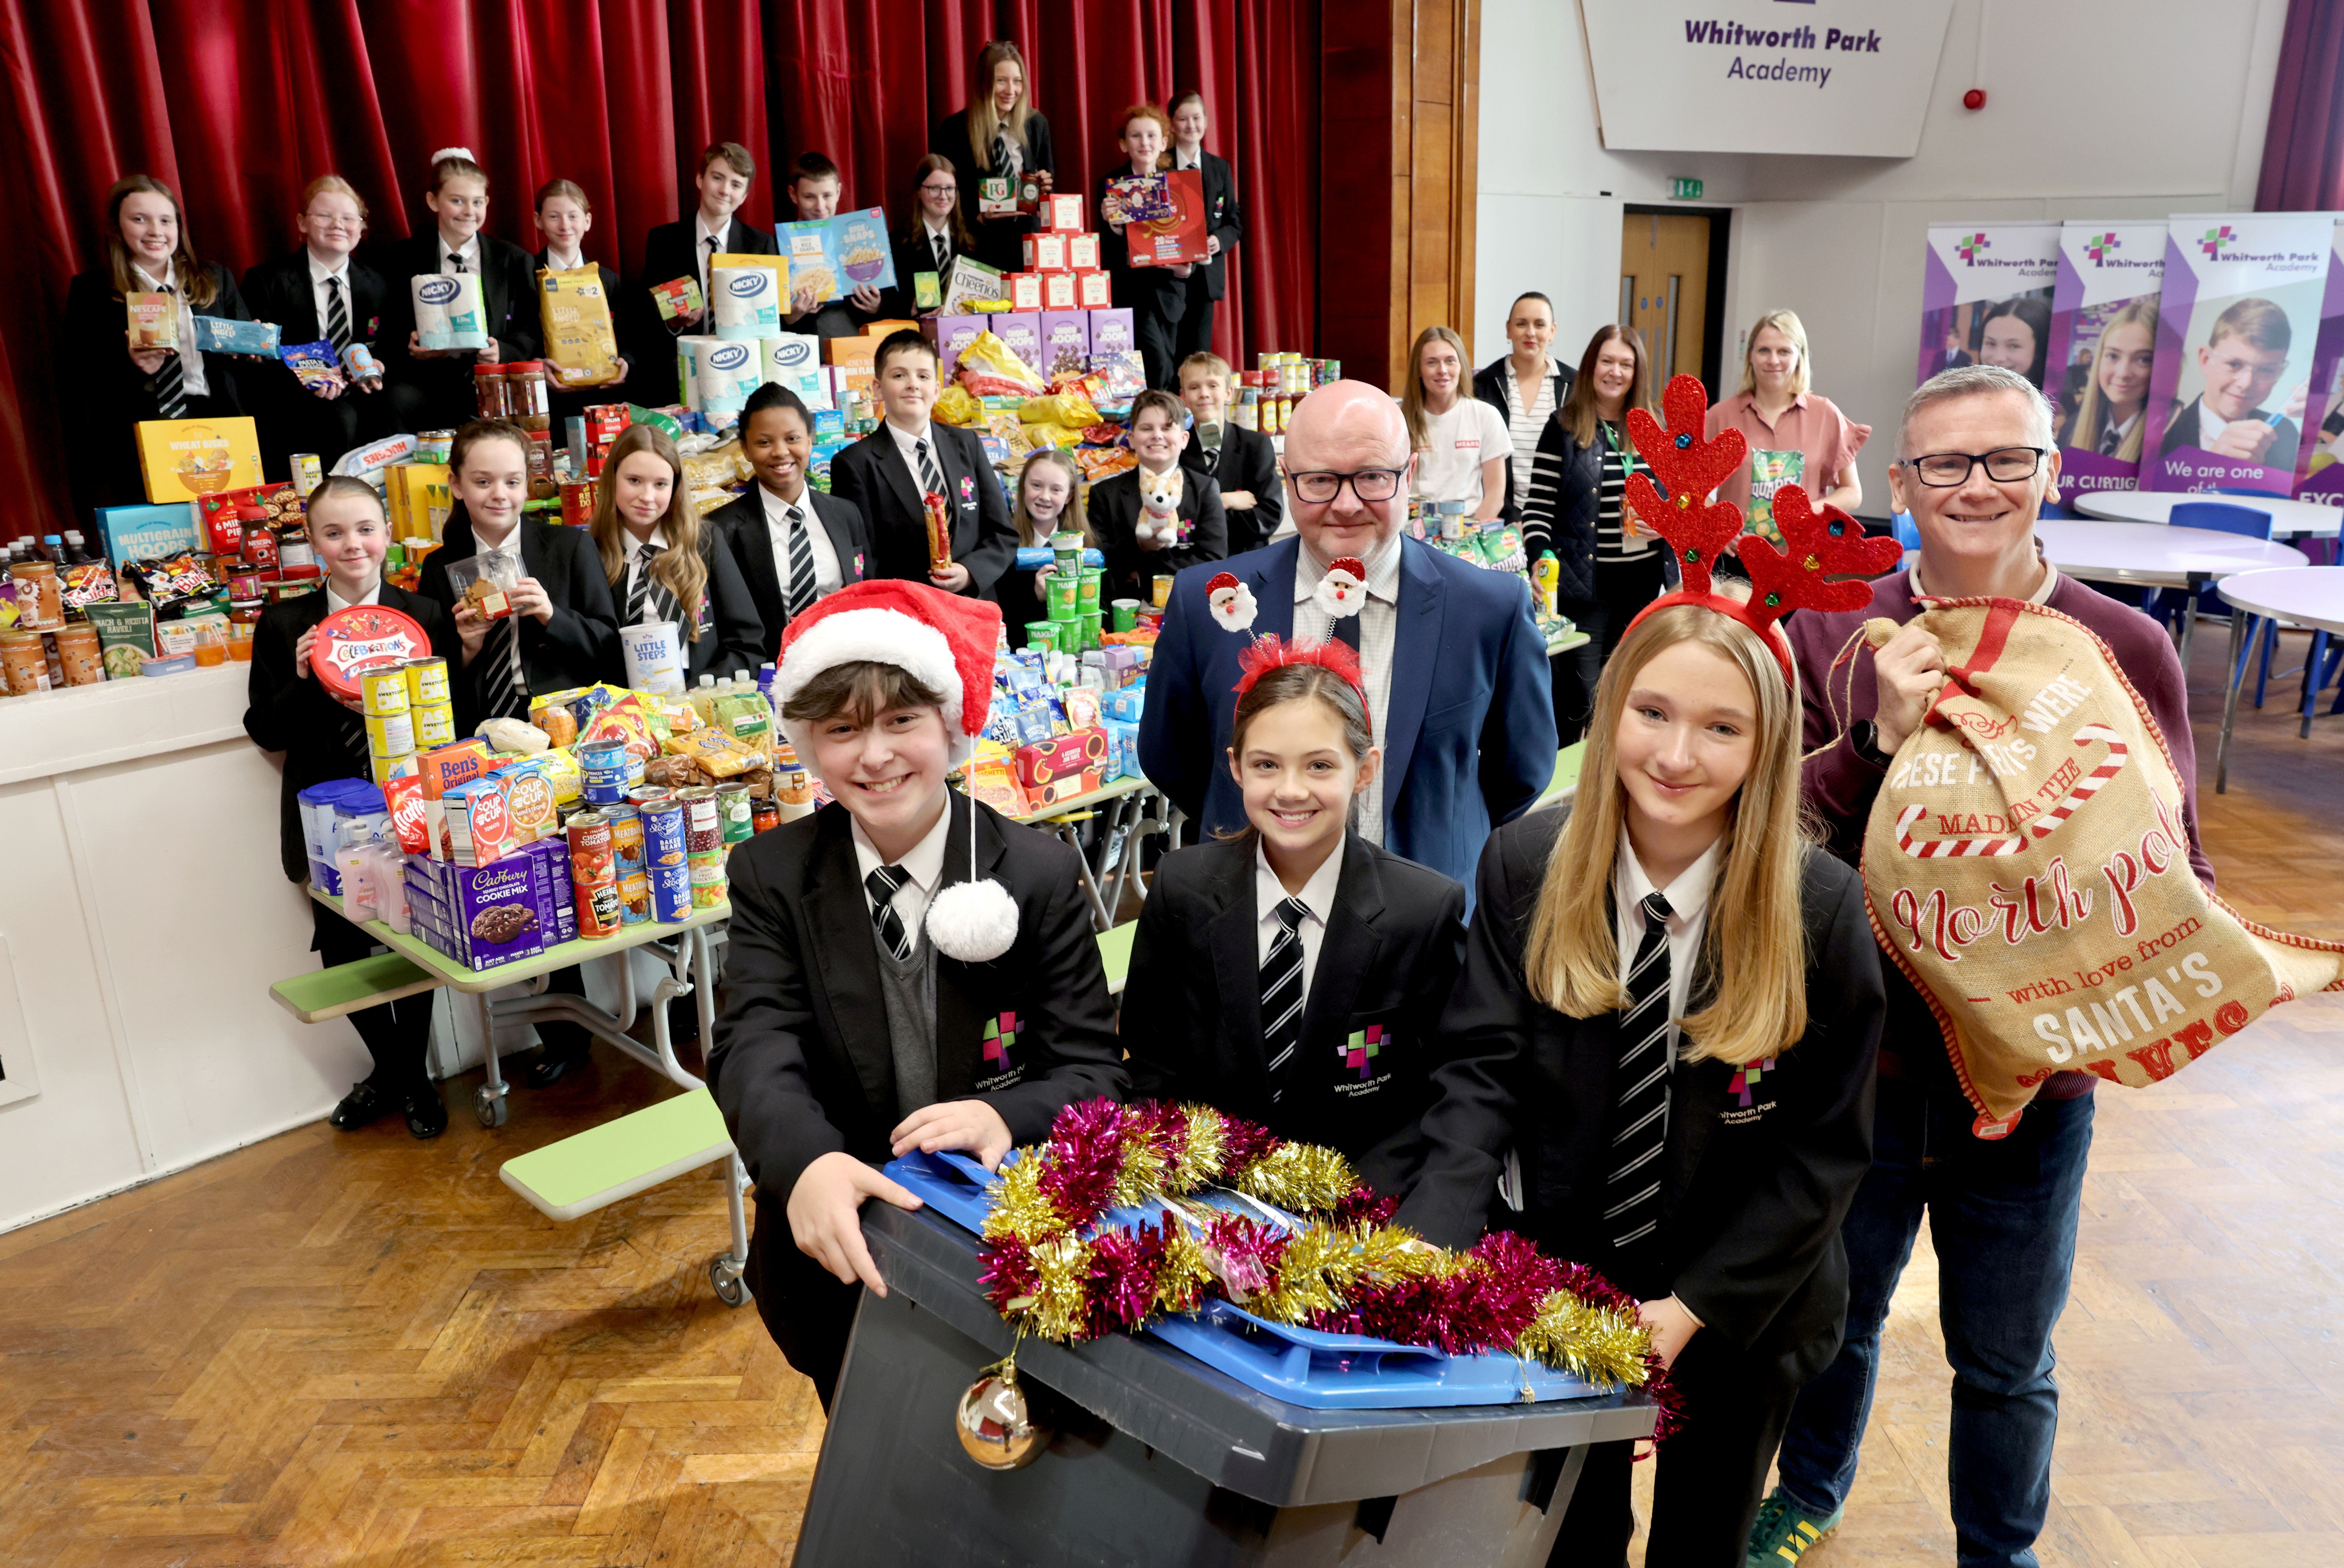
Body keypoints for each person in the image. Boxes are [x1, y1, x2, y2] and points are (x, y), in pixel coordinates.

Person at [1751, 364, 2216, 1568]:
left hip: (2030, 1094)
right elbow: (1774, 842)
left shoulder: (2125, 647)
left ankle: (1994, 1553)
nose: (1975, 486)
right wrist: (1871, 743)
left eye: (2005, 458)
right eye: (1944, 464)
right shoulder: (1832, 634)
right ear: (1900, 485)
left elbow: (2182, 874)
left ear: (2049, 474)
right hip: (1858, 1068)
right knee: (1832, 1323)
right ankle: (1805, 1491)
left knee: (2006, 1359)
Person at [1393, 582, 1886, 1568]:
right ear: (1609, 706)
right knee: (1564, 1531)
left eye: (1719, 727)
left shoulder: (1819, 908)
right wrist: (1429, 1253)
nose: (1673, 754)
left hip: (1741, 1296)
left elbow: (1821, 1152)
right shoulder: (1524, 861)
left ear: (1766, 745)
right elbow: (1479, 1074)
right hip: (1562, 1275)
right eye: (1651, 711)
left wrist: (1694, 1305)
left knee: (1702, 1535)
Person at [706, 579, 1127, 1407]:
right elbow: (755, 1045)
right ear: (808, 744)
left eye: (902, 722)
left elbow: (1093, 1071)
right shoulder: (774, 876)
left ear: (952, 725)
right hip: (846, 1258)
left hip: (1009, 1250)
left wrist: (1006, 1115)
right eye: (842, 730)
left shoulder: (1035, 873)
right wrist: (809, 1163)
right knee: (871, 1461)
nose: (874, 756)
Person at [1138, 381, 1555, 895]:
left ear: (1410, 474)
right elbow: (1169, 756)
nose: (1346, 503)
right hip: (1250, 914)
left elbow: (1523, 771)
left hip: (1429, 923)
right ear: (1286, 481)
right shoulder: (1207, 602)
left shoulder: (1489, 608)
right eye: (1319, 481)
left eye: (1372, 477)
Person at [1122, 636, 1465, 1193]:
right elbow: (1151, 1063)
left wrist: (1356, 1204)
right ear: (1235, 767)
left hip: (1355, 1214)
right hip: (1204, 1199)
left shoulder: (1422, 910)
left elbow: (1436, 1092)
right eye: (1266, 764)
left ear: (1364, 769)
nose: (1289, 790)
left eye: (1319, 765)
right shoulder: (1182, 890)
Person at [244, 477, 461, 1139]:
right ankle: (399, 1070)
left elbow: (454, 720)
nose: (352, 544)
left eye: (365, 528)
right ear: (312, 542)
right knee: (341, 949)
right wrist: (305, 679)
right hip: (325, 818)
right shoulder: (285, 624)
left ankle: (409, 1079)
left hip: (408, 808)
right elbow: (264, 729)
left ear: (388, 533)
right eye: (334, 532)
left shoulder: (423, 614)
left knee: (418, 942)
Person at [417, 419, 618, 1086]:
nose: (497, 494)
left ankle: (577, 1025)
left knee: (566, 871)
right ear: (456, 485)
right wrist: (468, 646)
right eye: (481, 481)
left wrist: (551, 616)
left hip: (560, 743)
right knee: (512, 881)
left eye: (510, 480)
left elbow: (608, 648)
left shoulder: (567, 546)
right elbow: (439, 681)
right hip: (485, 745)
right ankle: (546, 1025)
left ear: (529, 484)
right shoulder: (435, 564)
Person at [61, 174, 256, 515]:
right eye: (140, 219)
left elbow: (245, 361)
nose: (155, 231)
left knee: (224, 529)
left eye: (166, 221)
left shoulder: (215, 278)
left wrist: (252, 348)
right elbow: (78, 371)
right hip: (140, 427)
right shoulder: (91, 290)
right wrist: (130, 363)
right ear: (118, 227)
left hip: (216, 423)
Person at [1521, 325, 1658, 743]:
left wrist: (1665, 521)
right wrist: (1540, 558)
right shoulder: (1563, 427)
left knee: (1625, 694)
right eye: (1607, 361)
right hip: (1583, 590)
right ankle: (1563, 793)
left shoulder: (1653, 430)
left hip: (1641, 587)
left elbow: (1676, 506)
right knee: (1579, 695)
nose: (1615, 372)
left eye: (1626, 364)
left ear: (1638, 373)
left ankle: (1607, 789)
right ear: (1591, 367)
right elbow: (1537, 510)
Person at [827, 330, 1015, 600]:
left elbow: (1002, 534)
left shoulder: (967, 445)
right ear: (878, 388)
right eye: (899, 375)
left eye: (923, 376)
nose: (913, 384)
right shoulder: (856, 464)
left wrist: (971, 572)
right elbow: (864, 557)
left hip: (976, 607)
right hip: (907, 614)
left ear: (937, 390)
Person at [238, 175, 391, 483]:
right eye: (325, 215)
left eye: (349, 218)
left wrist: (380, 365)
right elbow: (258, 359)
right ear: (302, 223)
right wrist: (307, 380)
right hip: (295, 394)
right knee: (339, 418)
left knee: (396, 405)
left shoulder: (377, 283)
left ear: (361, 228)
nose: (338, 224)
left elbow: (389, 345)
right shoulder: (267, 281)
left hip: (360, 389)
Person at [378, 149, 541, 434]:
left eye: (478, 202)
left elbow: (532, 329)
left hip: (492, 380)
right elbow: (389, 328)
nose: (469, 211)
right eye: (457, 201)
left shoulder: (513, 260)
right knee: (395, 400)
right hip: (426, 380)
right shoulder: (403, 257)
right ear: (433, 201)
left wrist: (501, 351)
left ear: (487, 203)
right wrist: (413, 347)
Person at [588, 422, 765, 684]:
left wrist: (702, 690)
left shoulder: (705, 542)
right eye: (634, 481)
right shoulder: (590, 552)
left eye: (661, 484)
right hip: (623, 710)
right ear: (612, 479)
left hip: (700, 700)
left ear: (675, 488)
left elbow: (747, 645)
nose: (647, 497)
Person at [709, 382, 871, 655]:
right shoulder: (721, 530)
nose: (781, 452)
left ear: (810, 441)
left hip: (847, 664)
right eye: (764, 442)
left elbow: (867, 593)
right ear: (746, 450)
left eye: (792, 439)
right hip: (770, 675)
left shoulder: (845, 514)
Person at [627, 141, 777, 408]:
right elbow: (644, 319)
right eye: (717, 178)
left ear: (744, 196)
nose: (724, 191)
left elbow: (769, 318)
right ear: (700, 179)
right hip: (679, 375)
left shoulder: (761, 245)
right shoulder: (663, 240)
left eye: (735, 185)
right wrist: (674, 324)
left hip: (742, 376)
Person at [1704, 309, 1867, 545]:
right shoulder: (1721, 416)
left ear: (1799, 356)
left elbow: (1853, 493)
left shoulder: (1825, 415)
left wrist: (1807, 511)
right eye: (1764, 351)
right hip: (1734, 557)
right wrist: (1720, 527)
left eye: (1784, 352)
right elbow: (1691, 490)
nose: (1773, 360)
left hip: (1804, 558)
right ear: (1750, 355)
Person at [1086, 388, 1228, 604]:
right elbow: (1099, 559)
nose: (1157, 435)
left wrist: (1143, 575)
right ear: (1132, 439)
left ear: (1184, 439)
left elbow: (1213, 559)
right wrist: (1139, 545)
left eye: (1167, 428)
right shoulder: (1105, 494)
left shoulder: (1205, 489)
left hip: (1189, 604)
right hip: (1124, 611)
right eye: (1147, 428)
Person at [931, 39, 1056, 275]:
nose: (1011, 91)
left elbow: (1048, 181)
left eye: (1017, 81)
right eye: (1002, 81)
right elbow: (946, 193)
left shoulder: (1036, 124)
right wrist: (979, 216)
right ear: (984, 83)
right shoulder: (955, 129)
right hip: (979, 247)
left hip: (1029, 246)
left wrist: (1045, 182)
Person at [1099, 103, 1188, 389]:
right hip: (1131, 292)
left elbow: (1190, 238)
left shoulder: (1180, 186)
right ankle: (1156, 419)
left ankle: (1160, 422)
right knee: (1156, 362)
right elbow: (1104, 247)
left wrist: (1185, 268)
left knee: (1169, 365)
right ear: (1124, 144)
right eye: (1136, 136)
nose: (1145, 143)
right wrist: (1112, 222)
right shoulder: (1112, 185)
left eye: (1152, 136)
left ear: (1164, 142)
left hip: (1170, 293)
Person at [531, 179, 630, 430]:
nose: (565, 226)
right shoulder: (526, 274)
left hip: (602, 400)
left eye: (573, 216)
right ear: (538, 220)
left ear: (587, 221)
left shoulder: (606, 279)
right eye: (554, 217)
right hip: (546, 401)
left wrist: (625, 363)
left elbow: (629, 337)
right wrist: (535, 366)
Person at [2159, 296, 2303, 468]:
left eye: (2266, 370)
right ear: (2206, 360)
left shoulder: (2285, 433)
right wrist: (2210, 467)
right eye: (2234, 364)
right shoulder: (2160, 434)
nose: (2247, 383)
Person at [1472, 291, 1574, 521]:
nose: (1530, 333)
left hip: (1560, 521)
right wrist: (1512, 519)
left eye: (1540, 325)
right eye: (1521, 324)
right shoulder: (1483, 387)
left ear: (1552, 331)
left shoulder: (1575, 387)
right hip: (1502, 522)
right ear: (1509, 330)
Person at [1164, 92, 1244, 370]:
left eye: (1197, 118)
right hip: (1167, 277)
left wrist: (1217, 240)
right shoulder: (1160, 164)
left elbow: (1234, 221)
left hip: (1206, 277)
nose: (1191, 125)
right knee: (1168, 353)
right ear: (1172, 124)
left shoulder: (1219, 167)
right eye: (1183, 119)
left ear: (1206, 122)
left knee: (1198, 352)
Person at [1401, 324, 1511, 520]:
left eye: (1450, 361)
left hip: (1468, 530)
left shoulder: (1486, 416)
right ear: (1419, 369)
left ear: (1461, 366)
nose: (1442, 371)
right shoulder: (1399, 417)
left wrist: (1470, 538)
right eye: (1432, 363)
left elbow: (1495, 495)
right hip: (1414, 529)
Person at [1178, 351, 1283, 551]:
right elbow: (1174, 519)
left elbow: (1269, 517)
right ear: (1184, 397)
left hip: (1246, 562)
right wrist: (1223, 500)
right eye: (1194, 387)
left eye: (1213, 385)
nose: (1204, 394)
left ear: (1229, 393)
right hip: (1195, 563)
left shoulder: (1256, 445)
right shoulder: (1177, 449)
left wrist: (1201, 515)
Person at [782, 152, 885, 341]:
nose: (820, 206)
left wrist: (875, 307)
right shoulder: (779, 246)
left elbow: (884, 311)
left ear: (838, 192)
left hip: (856, 348)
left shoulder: (860, 240)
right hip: (805, 349)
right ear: (793, 195)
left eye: (827, 196)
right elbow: (774, 321)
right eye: (810, 197)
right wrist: (792, 316)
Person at [997, 447, 1085, 647]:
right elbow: (1000, 616)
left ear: (1069, 496)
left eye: (1056, 490)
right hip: (1021, 655)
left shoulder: (1086, 545)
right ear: (1023, 488)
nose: (1045, 496)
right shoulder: (1002, 543)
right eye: (1037, 486)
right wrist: (1035, 596)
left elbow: (1100, 606)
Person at [2058, 298, 2157, 462]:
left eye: (2144, 360)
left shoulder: (2170, 439)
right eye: (2113, 356)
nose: (2124, 373)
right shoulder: (2071, 430)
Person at [890, 154, 974, 315]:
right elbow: (892, 306)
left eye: (949, 189)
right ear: (918, 191)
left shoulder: (973, 240)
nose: (943, 196)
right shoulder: (897, 244)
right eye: (934, 189)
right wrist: (913, 315)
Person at [1976, 294, 2051, 389]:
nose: (1999, 358)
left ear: (2039, 350)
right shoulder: (1963, 397)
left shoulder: (2057, 401)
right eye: (1991, 344)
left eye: (2014, 346)